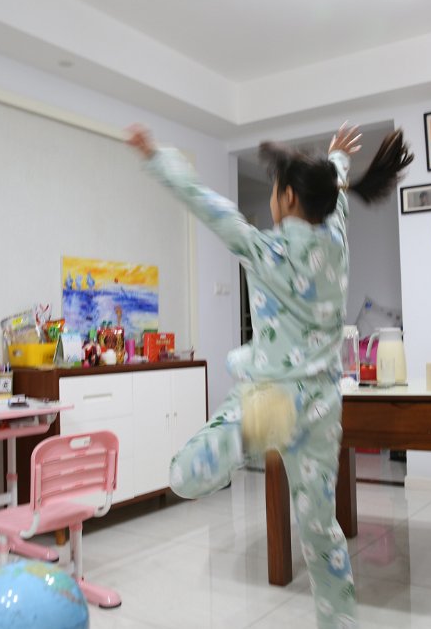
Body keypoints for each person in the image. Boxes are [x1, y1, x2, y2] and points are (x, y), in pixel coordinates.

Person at [126, 122, 413, 628]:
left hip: (274, 402)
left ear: (287, 197)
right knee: (320, 528)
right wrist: (338, 161)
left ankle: (233, 443)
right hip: (322, 408)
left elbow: (205, 203)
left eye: (276, 188)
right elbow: (337, 199)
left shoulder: (266, 249)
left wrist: (157, 157)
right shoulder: (336, 239)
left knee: (187, 472)